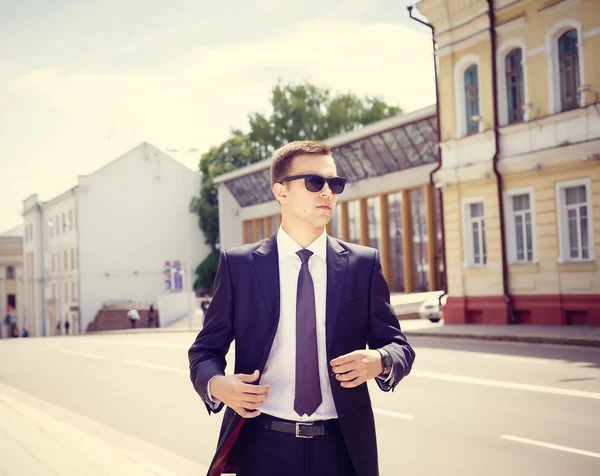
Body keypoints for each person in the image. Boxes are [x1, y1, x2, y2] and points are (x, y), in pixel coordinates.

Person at [188, 141, 415, 476]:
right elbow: (205, 350)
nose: (327, 192)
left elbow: (400, 347)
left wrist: (379, 361)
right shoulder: (239, 266)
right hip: (262, 446)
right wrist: (219, 385)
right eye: (314, 182)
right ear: (281, 191)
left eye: (334, 184)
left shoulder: (362, 265)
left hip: (341, 447)